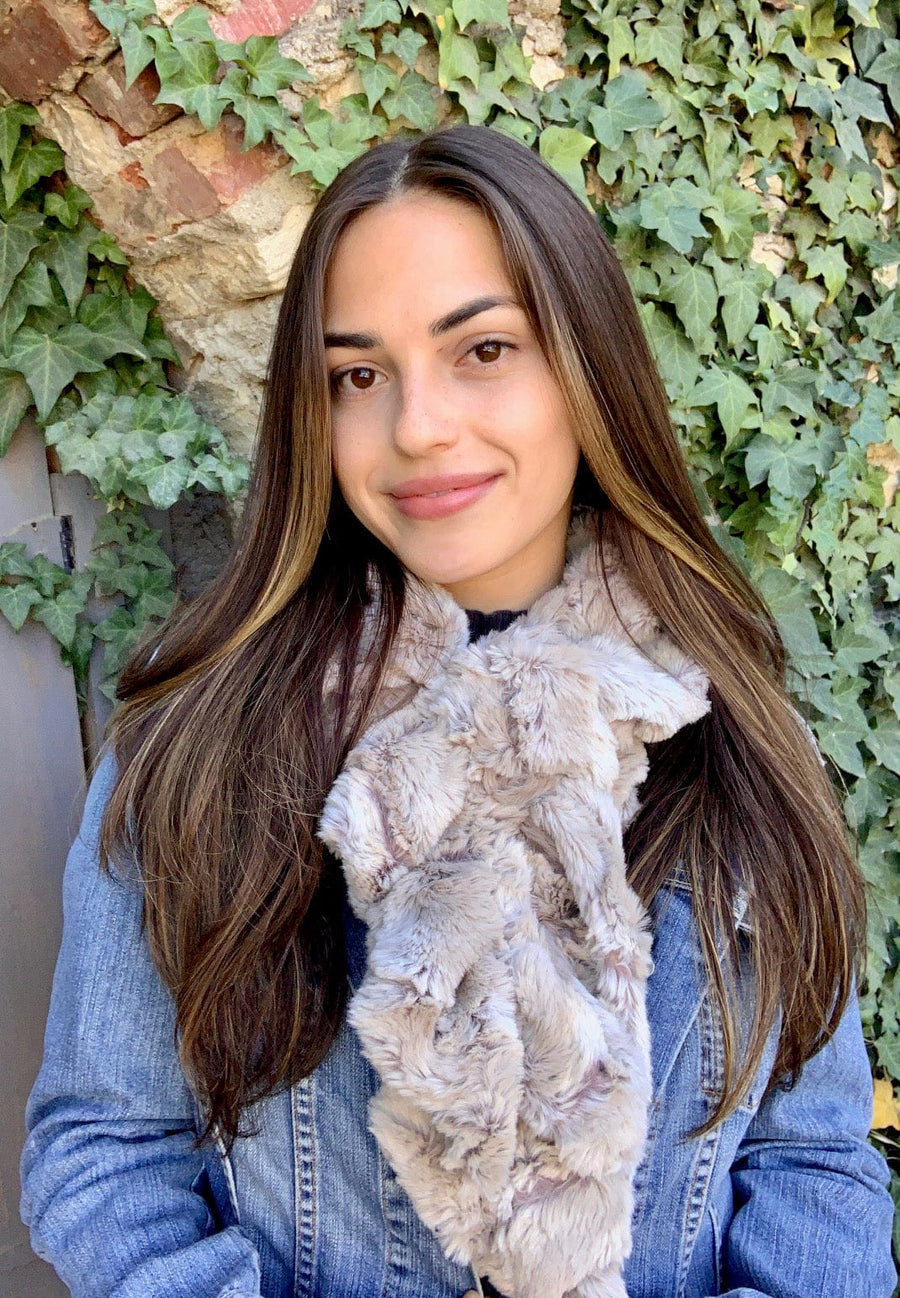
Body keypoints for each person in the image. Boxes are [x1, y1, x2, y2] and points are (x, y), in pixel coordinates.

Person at [20, 123, 895, 1298]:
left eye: (483, 348)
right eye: (358, 375)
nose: (418, 426)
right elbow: (106, 1151)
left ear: (588, 370)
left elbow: (812, 1153)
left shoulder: (731, 733)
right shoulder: (198, 752)